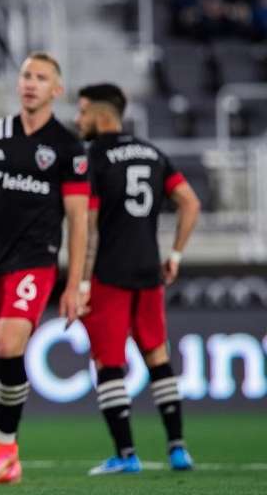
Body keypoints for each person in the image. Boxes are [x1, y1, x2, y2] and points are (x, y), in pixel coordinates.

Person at [0, 52, 89, 486]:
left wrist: (76, 281)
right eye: (26, 75)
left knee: (9, 345)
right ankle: (6, 454)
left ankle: (5, 445)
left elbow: (79, 218)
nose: (30, 83)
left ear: (56, 90)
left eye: (41, 78)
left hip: (36, 259)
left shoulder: (67, 147)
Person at [74, 83, 201, 475]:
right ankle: (178, 449)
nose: (79, 121)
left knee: (109, 363)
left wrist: (79, 281)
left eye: (82, 113)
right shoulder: (153, 153)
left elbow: (89, 224)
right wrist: (175, 253)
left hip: (109, 273)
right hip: (149, 270)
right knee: (157, 356)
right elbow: (190, 202)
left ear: (101, 115)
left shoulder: (94, 156)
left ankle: (126, 455)